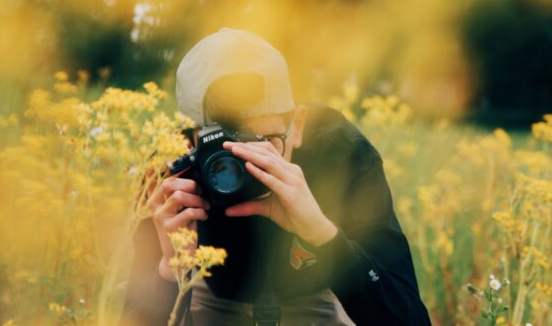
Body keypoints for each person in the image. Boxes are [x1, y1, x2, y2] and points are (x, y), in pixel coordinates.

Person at [123, 28, 431, 326]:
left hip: (317, 291)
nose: (246, 166)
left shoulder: (341, 157)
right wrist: (169, 270)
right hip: (210, 291)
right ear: (187, 142)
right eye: (222, 152)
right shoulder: (169, 174)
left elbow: (409, 319)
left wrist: (325, 236)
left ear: (297, 127)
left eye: (263, 143)